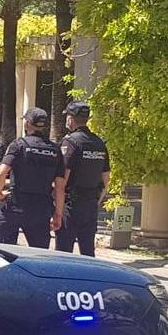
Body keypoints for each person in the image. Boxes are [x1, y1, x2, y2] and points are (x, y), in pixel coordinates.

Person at [0, 108, 65, 248]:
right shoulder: (55, 150)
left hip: (16, 208)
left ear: (27, 123)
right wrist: (58, 214)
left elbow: (1, 173)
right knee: (39, 255)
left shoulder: (19, 145)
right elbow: (60, 187)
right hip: (41, 212)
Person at [56, 101, 110, 256]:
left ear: (71, 119)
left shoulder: (71, 142)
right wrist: (95, 201)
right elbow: (106, 180)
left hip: (71, 205)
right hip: (90, 205)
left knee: (63, 254)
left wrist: (57, 210)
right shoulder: (99, 143)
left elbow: (62, 180)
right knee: (87, 252)